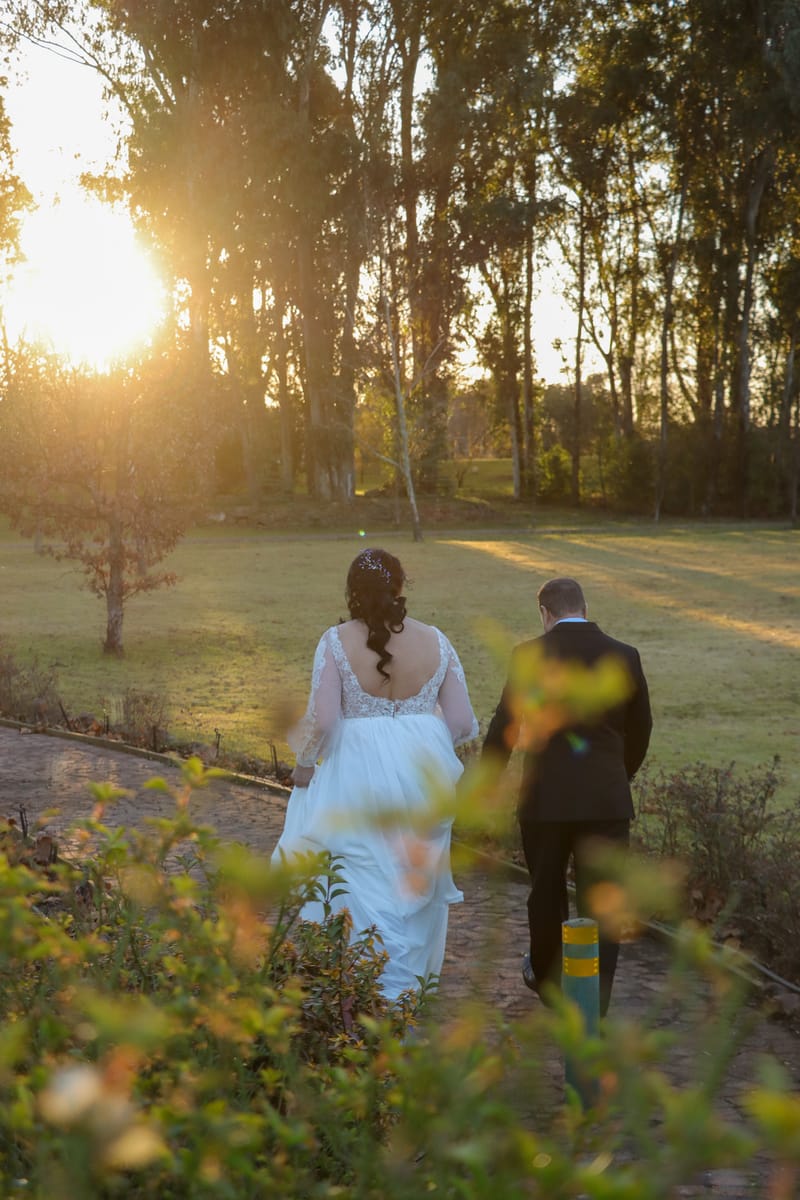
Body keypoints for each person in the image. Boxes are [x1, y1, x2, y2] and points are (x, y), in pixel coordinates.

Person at [272, 547, 478, 1000]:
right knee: (412, 881)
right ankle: (402, 998)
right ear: (400, 588)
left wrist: (304, 767)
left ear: (352, 592)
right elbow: (462, 722)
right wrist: (417, 735)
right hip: (422, 780)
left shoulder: (334, 641)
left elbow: (324, 722)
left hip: (356, 778)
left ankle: (365, 996)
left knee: (359, 876)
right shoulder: (436, 641)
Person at [481, 576, 652, 1016]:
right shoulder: (625, 655)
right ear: (585, 606)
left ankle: (550, 982)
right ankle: (595, 1002)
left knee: (545, 892)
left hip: (544, 799)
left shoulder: (528, 655)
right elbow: (642, 727)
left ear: (545, 613)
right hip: (606, 800)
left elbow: (506, 727)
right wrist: (620, 774)